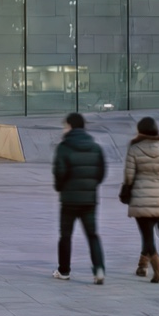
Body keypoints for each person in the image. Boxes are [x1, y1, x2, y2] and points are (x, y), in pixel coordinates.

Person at [51, 112, 107, 284]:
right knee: (92, 235)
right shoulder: (95, 146)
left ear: (69, 126)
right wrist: (91, 186)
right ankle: (99, 269)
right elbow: (101, 172)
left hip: (69, 199)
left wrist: (60, 188)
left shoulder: (64, 147)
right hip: (89, 199)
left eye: (65, 125)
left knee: (66, 235)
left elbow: (59, 171)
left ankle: (64, 270)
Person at [123, 116, 159, 283]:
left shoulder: (135, 148)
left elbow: (129, 176)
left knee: (146, 235)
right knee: (149, 231)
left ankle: (157, 269)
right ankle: (142, 265)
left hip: (140, 196)